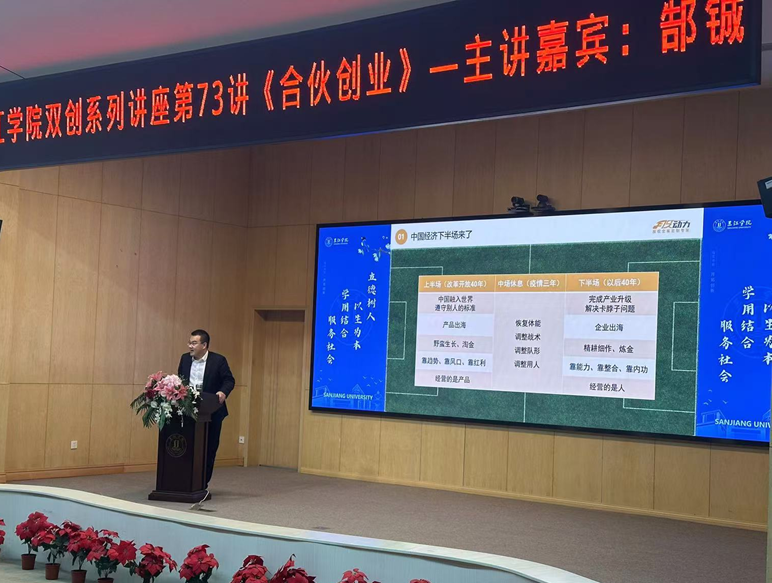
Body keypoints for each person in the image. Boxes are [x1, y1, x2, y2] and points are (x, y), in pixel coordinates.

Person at [177, 329, 235, 497]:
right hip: (188, 410)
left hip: (212, 410)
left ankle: (202, 483)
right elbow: (181, 380)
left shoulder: (218, 360)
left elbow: (229, 380)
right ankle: (185, 481)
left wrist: (222, 392)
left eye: (194, 343)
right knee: (187, 446)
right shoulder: (184, 359)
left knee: (209, 447)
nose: (190, 346)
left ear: (204, 345)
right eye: (189, 343)